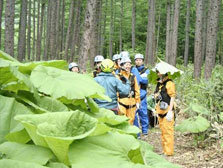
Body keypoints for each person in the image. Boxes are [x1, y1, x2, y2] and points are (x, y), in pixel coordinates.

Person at [154, 71, 176, 156]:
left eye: (159, 72)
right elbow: (156, 94)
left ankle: (169, 152)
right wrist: (156, 96)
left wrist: (170, 111)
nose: (158, 73)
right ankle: (164, 150)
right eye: (157, 72)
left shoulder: (169, 83)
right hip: (160, 110)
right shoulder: (159, 83)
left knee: (168, 132)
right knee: (163, 131)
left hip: (167, 111)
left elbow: (172, 97)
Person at [117, 56, 140, 124]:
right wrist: (117, 101)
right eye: (126, 64)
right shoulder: (118, 77)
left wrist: (137, 101)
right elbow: (116, 90)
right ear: (122, 65)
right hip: (122, 102)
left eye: (129, 64)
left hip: (132, 102)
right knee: (122, 121)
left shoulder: (133, 77)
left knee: (131, 121)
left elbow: (137, 90)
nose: (128, 66)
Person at [133, 53, 150, 136]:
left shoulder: (146, 70)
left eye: (140, 60)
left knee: (143, 113)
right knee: (134, 114)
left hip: (142, 93)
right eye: (136, 60)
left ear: (142, 61)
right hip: (134, 94)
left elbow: (145, 80)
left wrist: (137, 77)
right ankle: (136, 131)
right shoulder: (132, 69)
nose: (138, 61)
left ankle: (145, 130)